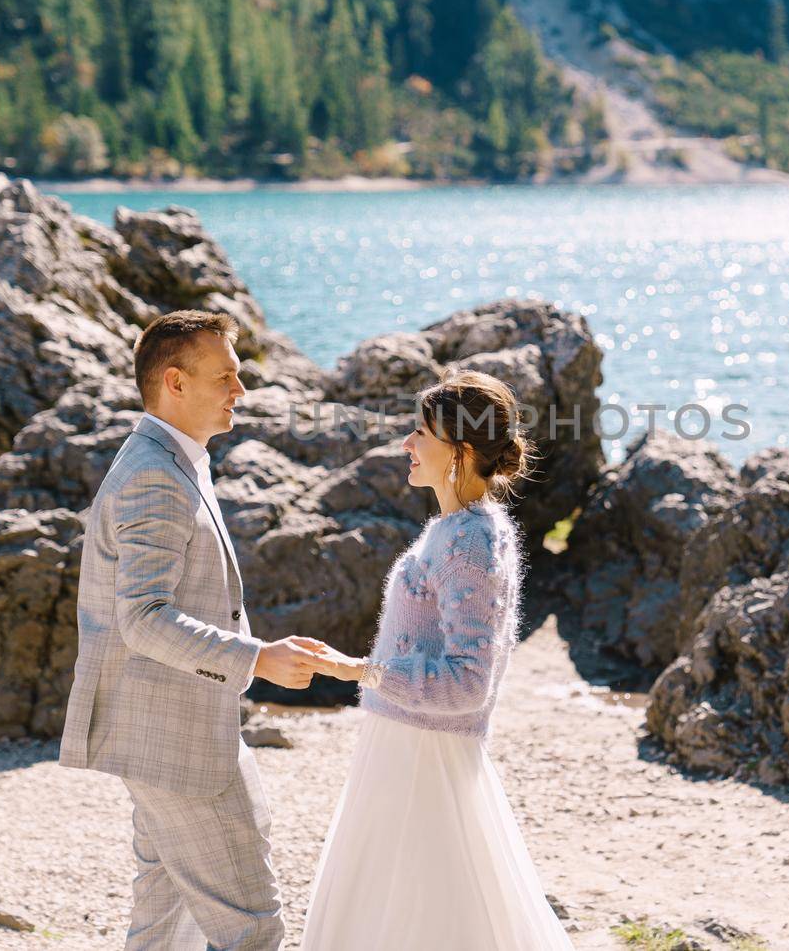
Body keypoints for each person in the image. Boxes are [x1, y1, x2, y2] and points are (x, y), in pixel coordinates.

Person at [60, 309, 332, 951]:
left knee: (166, 923)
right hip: (173, 738)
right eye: (227, 377)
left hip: (166, 728)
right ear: (175, 383)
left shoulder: (171, 458)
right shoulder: (155, 474)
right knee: (252, 928)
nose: (241, 391)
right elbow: (145, 620)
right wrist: (258, 658)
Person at [299, 368, 576, 951]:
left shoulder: (471, 541)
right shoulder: (454, 530)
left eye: (421, 432)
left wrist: (358, 670)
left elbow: (468, 682)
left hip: (425, 762)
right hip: (406, 748)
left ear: (461, 450)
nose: (407, 443)